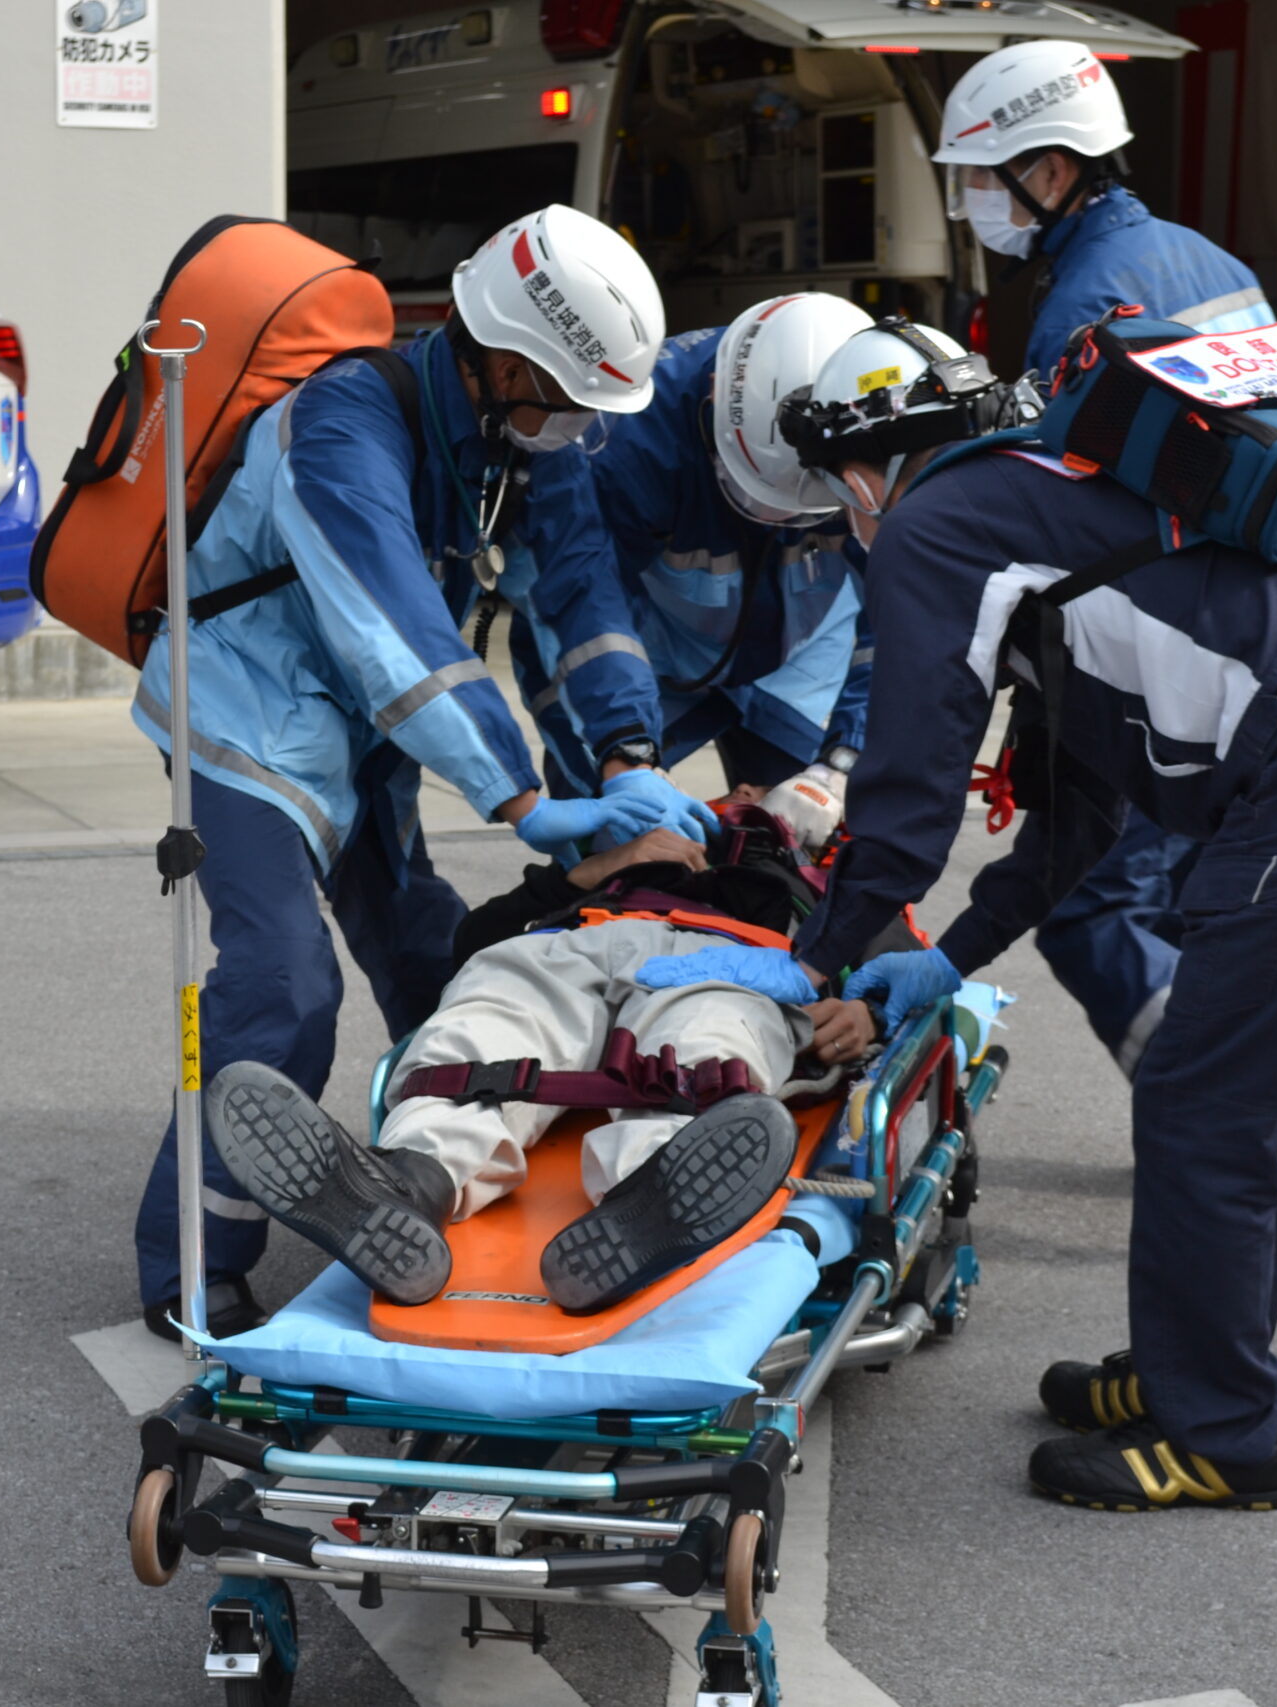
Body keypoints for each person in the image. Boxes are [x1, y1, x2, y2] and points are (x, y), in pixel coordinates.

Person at [638, 319, 1277, 1510]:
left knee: (1203, 1105)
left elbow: (909, 785)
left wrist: (820, 956)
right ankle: (1198, 1369)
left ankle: (1226, 1435)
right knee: (1268, 1102)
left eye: (840, 501)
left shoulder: (938, 522)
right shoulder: (1057, 499)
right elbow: (1075, 821)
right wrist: (949, 955)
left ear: (862, 473)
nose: (849, 527)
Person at [130, 205, 720, 1341]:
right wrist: (524, 799)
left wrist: (628, 752)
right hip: (241, 725)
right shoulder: (342, 422)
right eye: (570, 399)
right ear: (504, 358)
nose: (581, 430)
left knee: (443, 959)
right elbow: (389, 628)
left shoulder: (518, 440)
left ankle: (420, 1174)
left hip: (353, 736)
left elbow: (581, 593)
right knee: (285, 984)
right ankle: (193, 1264)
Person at [933, 38, 1277, 1079]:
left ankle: (1213, 1090)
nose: (972, 205)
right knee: (1184, 900)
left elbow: (1068, 527)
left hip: (1166, 652)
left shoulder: (1085, 302)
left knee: (1093, 906)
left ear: (1050, 170)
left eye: (984, 179)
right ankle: (1249, 1087)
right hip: (1262, 635)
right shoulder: (1215, 262)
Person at [203, 794, 883, 1316]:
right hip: (575, 940)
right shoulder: (638, 846)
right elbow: (473, 938)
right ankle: (408, 1182)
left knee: (702, 1052)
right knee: (486, 1026)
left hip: (740, 961)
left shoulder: (840, 881)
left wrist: (866, 1012)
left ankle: (648, 1199)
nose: (748, 796)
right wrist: (596, 870)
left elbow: (901, 982)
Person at [535, 293, 876, 829]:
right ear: (715, 400)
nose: (779, 520)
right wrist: (628, 752)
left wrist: (841, 763)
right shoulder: (624, 440)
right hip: (656, 659)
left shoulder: (882, 431)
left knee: (816, 841)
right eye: (759, 495)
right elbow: (580, 601)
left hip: (806, 656)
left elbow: (906, 614)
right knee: (609, 823)